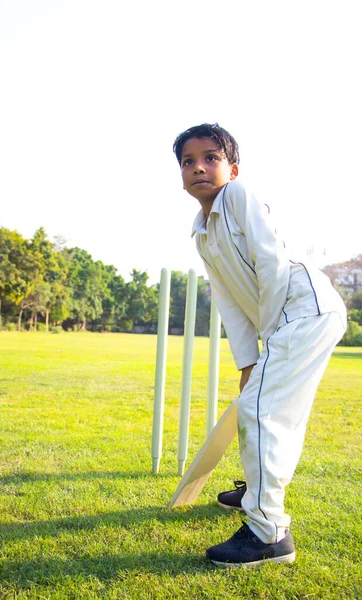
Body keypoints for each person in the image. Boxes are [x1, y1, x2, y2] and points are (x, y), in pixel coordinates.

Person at [173, 123, 347, 568]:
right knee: (263, 405)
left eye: (210, 157)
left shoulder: (237, 196)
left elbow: (269, 263)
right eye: (188, 161)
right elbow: (230, 301)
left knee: (261, 412)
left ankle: (269, 533)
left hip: (302, 308)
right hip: (289, 319)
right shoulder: (201, 232)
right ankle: (255, 493)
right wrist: (248, 360)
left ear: (232, 167)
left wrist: (267, 336)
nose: (198, 168)